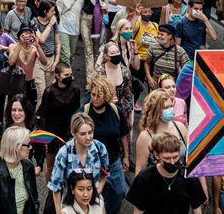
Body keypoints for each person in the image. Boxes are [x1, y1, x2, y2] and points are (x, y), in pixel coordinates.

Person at [82, 77, 129, 214]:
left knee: (119, 192)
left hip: (113, 161)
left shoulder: (116, 111)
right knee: (94, 196)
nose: (95, 98)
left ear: (107, 96)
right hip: (92, 164)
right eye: (93, 94)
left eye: (99, 95)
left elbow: (123, 134)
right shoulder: (84, 112)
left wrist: (126, 156)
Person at [127, 133, 206, 214]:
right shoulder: (144, 178)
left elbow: (197, 210)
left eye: (175, 157)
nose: (172, 162)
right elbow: (137, 211)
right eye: (167, 158)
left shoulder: (189, 178)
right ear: (156, 155)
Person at [47, 113, 110, 214]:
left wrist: (97, 191)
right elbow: (55, 186)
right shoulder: (64, 153)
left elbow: (105, 172)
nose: (88, 137)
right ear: (74, 133)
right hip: (70, 204)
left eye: (90, 132)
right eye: (83, 134)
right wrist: (59, 211)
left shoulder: (100, 148)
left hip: (94, 203)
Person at [0, 126, 39, 214]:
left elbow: (34, 199)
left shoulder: (28, 166)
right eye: (28, 144)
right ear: (16, 147)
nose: (30, 147)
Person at [134, 89, 189, 173]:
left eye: (171, 106)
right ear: (155, 110)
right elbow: (140, 168)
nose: (170, 110)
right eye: (165, 108)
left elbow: (191, 157)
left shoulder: (181, 128)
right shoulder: (146, 136)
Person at [31, 0, 61, 105]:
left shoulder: (54, 23)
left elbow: (58, 43)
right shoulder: (34, 22)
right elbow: (41, 39)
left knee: (49, 92)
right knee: (41, 93)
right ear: (45, 12)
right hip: (39, 60)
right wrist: (50, 24)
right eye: (52, 11)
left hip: (51, 59)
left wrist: (56, 61)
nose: (54, 13)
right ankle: (37, 120)